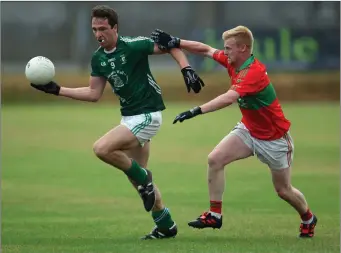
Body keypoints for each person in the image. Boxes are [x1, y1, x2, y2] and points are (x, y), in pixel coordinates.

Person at [29, 5, 205, 240]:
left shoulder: (133, 45)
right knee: (137, 180)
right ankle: (166, 226)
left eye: (102, 28)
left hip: (148, 115)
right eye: (94, 29)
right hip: (130, 117)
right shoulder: (98, 58)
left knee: (102, 149)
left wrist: (186, 69)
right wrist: (57, 90)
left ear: (115, 28)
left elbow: (171, 45)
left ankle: (145, 179)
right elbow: (93, 93)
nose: (98, 34)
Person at [151, 26, 318, 238]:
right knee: (215, 159)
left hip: (274, 139)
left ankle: (308, 218)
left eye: (229, 48)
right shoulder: (234, 61)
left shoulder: (252, 72)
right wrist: (175, 41)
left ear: (243, 48)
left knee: (283, 190)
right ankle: (215, 214)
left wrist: (196, 110)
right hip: (249, 130)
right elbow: (206, 50)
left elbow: (229, 98)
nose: (225, 52)